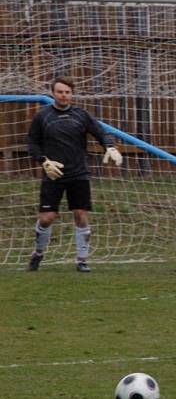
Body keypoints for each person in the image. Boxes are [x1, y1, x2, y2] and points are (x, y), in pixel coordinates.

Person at [26, 76, 124, 273]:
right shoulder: (42, 116)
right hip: (54, 175)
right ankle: (38, 253)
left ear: (72, 94)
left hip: (79, 173)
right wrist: (43, 160)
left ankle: (82, 259)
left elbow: (101, 132)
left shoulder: (81, 115)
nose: (64, 95)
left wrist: (110, 146)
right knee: (47, 218)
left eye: (67, 92)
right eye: (60, 91)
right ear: (53, 93)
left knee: (80, 215)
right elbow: (32, 143)